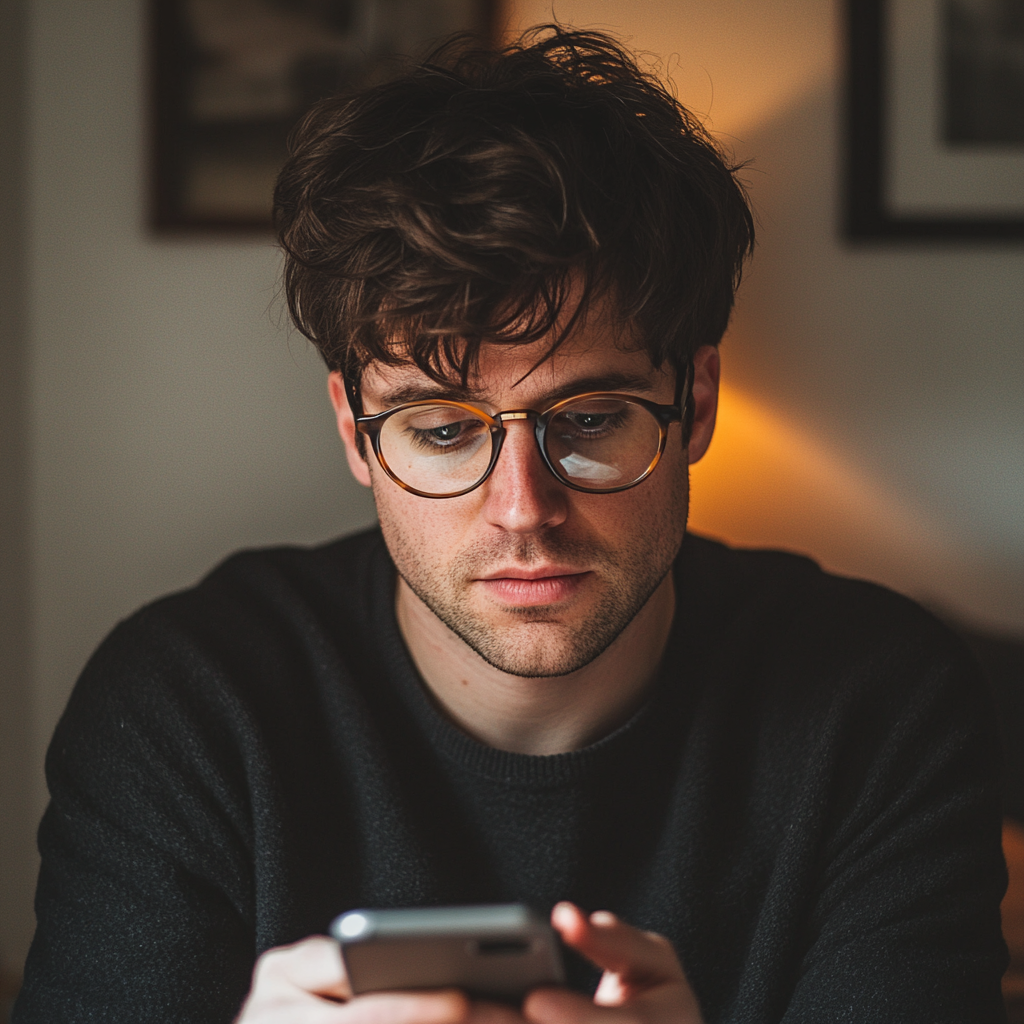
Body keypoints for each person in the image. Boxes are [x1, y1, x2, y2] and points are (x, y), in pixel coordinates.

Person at [13, 26, 1009, 1024]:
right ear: (355, 435)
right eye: (444, 429)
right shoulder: (185, 709)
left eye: (586, 421)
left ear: (694, 403)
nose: (524, 508)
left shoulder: (880, 706)